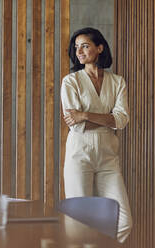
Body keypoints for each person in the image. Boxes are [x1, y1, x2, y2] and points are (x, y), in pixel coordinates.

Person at [60, 27, 132, 243]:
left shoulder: (117, 81)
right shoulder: (70, 81)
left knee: (123, 220)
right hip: (79, 156)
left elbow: (121, 120)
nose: (79, 51)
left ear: (99, 48)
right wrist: (105, 119)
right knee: (79, 221)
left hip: (108, 158)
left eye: (85, 45)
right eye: (76, 47)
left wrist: (84, 114)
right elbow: (77, 126)